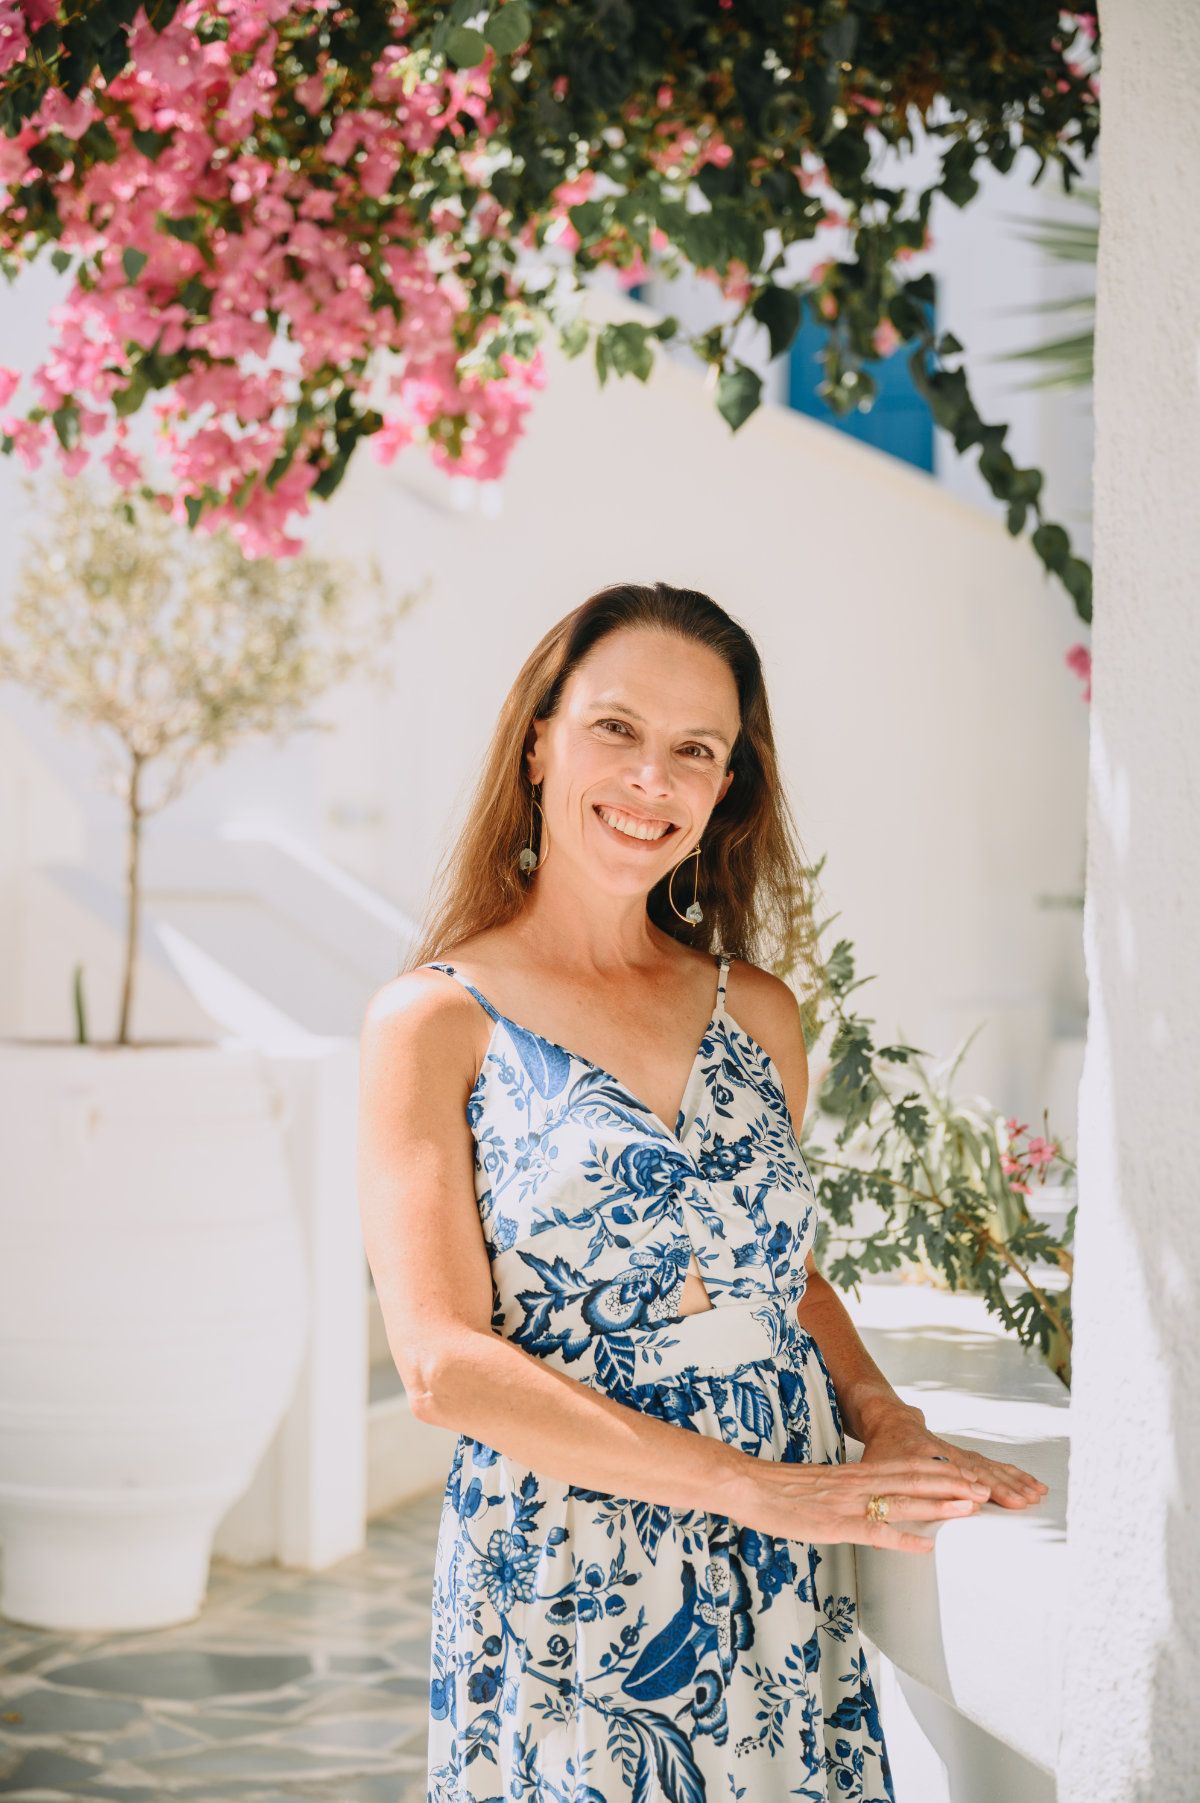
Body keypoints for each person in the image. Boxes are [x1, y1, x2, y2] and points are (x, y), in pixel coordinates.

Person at [358, 580, 1047, 1802]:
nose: (651, 780)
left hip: (782, 1580)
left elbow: (782, 1277)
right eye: (615, 729)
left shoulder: (760, 1009)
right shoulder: (434, 1019)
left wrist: (882, 1419)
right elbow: (441, 1366)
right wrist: (768, 1490)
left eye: (696, 751)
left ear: (727, 786)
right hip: (572, 1574)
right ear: (537, 742)